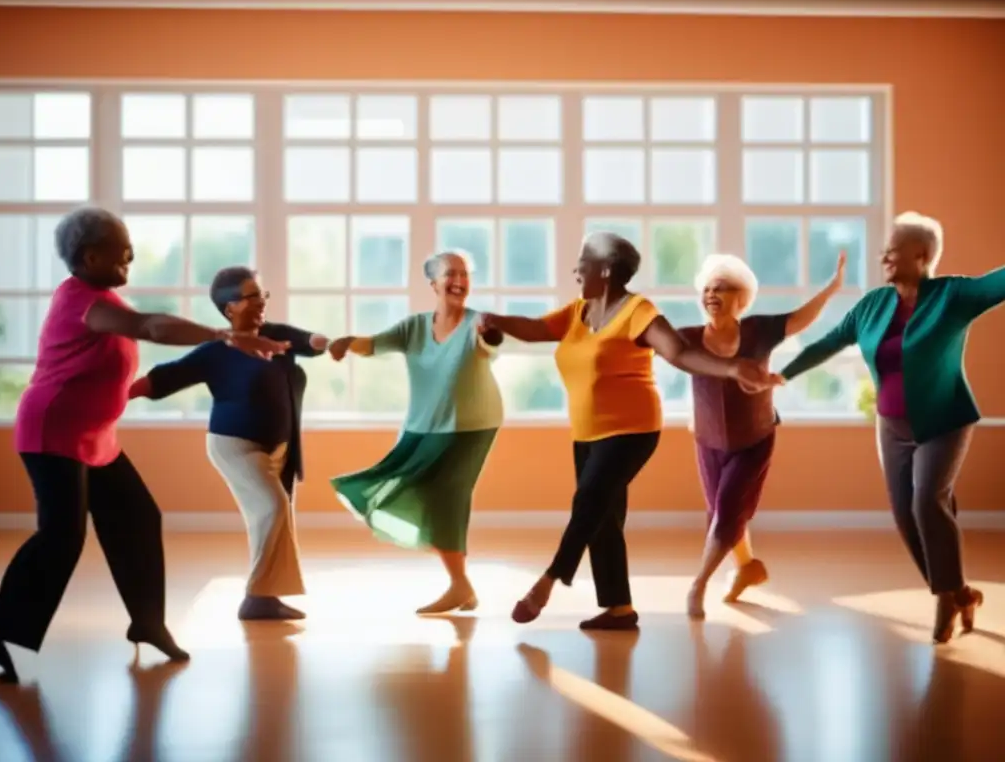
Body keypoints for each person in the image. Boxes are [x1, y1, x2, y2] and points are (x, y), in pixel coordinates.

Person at [0, 207, 287, 684]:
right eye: (121, 253)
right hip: (53, 432)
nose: (130, 259)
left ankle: (148, 623)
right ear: (90, 256)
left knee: (139, 518)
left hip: (95, 438)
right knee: (62, 537)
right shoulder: (83, 301)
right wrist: (222, 336)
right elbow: (152, 328)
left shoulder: (102, 297)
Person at [478, 232, 778, 631]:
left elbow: (679, 352)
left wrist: (731, 367)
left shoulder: (638, 311)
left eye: (583, 262)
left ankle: (548, 581)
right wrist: (496, 320)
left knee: (588, 500)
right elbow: (535, 328)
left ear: (605, 269)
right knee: (603, 515)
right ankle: (619, 608)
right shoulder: (577, 312)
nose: (576, 269)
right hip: (587, 431)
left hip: (632, 430)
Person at [779, 211, 1002, 643]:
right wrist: (783, 374)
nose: (883, 254)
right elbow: (828, 343)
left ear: (920, 255)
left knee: (927, 503)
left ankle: (944, 598)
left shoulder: (952, 295)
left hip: (945, 422)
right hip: (891, 425)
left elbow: (998, 283)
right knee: (905, 517)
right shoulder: (873, 305)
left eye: (893, 248)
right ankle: (958, 591)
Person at [129, 267, 330, 621]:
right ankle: (255, 598)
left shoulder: (274, 335)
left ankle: (267, 598)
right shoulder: (216, 351)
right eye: (252, 297)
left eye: (262, 295)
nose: (261, 303)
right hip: (235, 445)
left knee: (272, 518)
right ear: (229, 308)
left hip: (280, 448)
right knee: (273, 508)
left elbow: (308, 342)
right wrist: (117, 395)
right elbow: (165, 379)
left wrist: (324, 342)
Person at [327, 251, 505, 615]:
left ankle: (459, 585)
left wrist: (491, 335)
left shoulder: (478, 323)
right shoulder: (414, 328)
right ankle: (462, 586)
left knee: (448, 494)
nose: (458, 280)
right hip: (424, 423)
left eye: (464, 274)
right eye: (450, 274)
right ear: (434, 284)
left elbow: (492, 344)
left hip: (472, 424)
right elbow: (374, 344)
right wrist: (347, 342)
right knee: (408, 484)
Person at [680, 250, 845, 619]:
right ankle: (747, 568)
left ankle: (699, 584)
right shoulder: (687, 339)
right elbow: (650, 342)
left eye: (720, 288)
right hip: (707, 441)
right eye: (706, 288)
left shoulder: (757, 330)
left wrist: (831, 288)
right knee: (721, 512)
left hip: (754, 438)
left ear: (740, 298)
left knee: (725, 514)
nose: (711, 294)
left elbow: (800, 319)